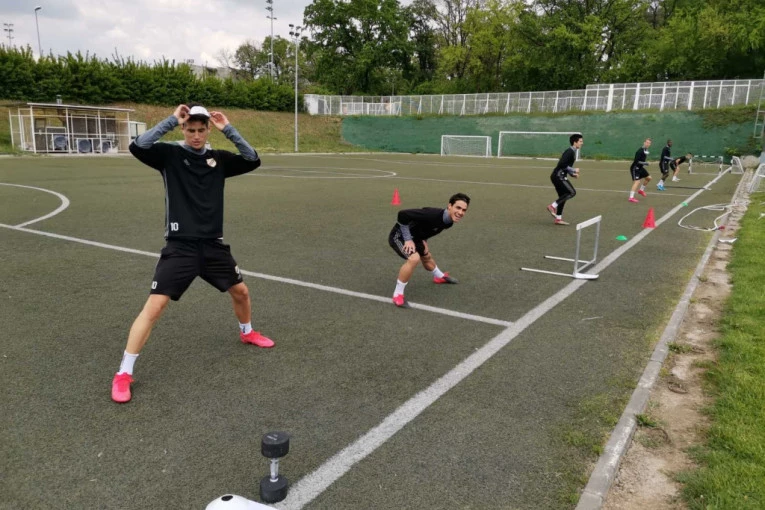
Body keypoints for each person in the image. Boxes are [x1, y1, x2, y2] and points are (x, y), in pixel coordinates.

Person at [111, 104, 273, 404]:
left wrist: (228, 129)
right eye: (190, 130)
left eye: (201, 130)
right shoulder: (169, 156)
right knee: (155, 307)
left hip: (213, 246)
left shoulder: (219, 159)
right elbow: (138, 146)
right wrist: (171, 120)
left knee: (241, 292)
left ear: (208, 130)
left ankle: (247, 332)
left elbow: (252, 159)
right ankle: (124, 373)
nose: (196, 135)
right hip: (180, 247)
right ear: (184, 129)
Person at [388, 193, 470, 308]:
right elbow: (402, 214)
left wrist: (424, 240)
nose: (460, 212)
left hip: (416, 237)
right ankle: (397, 294)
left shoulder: (449, 221)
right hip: (399, 236)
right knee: (414, 258)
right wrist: (407, 239)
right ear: (449, 206)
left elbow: (428, 228)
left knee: (426, 256)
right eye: (458, 208)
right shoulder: (432, 214)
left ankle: (439, 277)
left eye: (464, 210)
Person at [546, 133, 583, 225]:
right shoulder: (569, 151)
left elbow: (566, 166)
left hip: (557, 176)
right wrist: (574, 169)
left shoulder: (572, 152)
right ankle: (552, 206)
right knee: (572, 192)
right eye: (580, 141)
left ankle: (558, 219)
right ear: (575, 142)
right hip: (558, 176)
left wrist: (572, 174)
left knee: (563, 197)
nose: (582, 143)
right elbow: (561, 164)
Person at [628, 138, 653, 203]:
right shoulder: (639, 151)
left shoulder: (645, 150)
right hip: (635, 168)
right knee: (637, 182)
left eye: (649, 143)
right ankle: (631, 197)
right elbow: (636, 161)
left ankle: (641, 190)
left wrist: (644, 163)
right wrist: (645, 163)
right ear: (644, 142)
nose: (648, 144)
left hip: (640, 168)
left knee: (649, 178)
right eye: (647, 142)